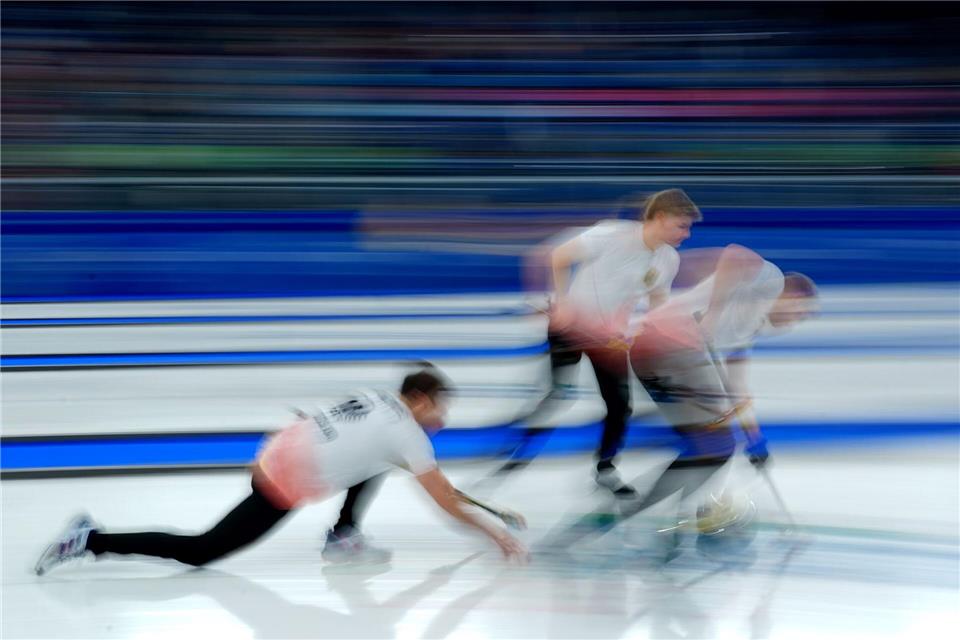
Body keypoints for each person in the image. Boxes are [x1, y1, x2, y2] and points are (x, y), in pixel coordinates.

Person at [34, 365, 526, 575]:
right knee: (203, 551)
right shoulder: (408, 436)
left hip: (279, 449)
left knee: (377, 462)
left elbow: (331, 427)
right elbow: (441, 497)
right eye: (439, 407)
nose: (442, 418)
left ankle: (343, 533)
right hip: (283, 480)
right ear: (418, 399)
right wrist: (492, 533)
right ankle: (91, 539)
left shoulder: (379, 400)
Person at [539, 245, 818, 554]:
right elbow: (735, 256)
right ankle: (661, 520)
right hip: (668, 347)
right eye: (800, 312)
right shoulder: (771, 282)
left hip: (656, 354)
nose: (796, 321)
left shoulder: (750, 328)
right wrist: (712, 314)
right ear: (792, 296)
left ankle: (643, 517)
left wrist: (755, 439)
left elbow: (735, 389)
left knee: (709, 446)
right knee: (717, 446)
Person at [489, 189, 702, 497]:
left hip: (608, 340)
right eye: (682, 226)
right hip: (570, 328)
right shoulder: (611, 235)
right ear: (660, 218)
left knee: (619, 406)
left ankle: (605, 469)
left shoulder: (668, 259)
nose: (687, 233)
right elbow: (557, 256)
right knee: (557, 396)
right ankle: (515, 451)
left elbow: (657, 306)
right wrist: (561, 304)